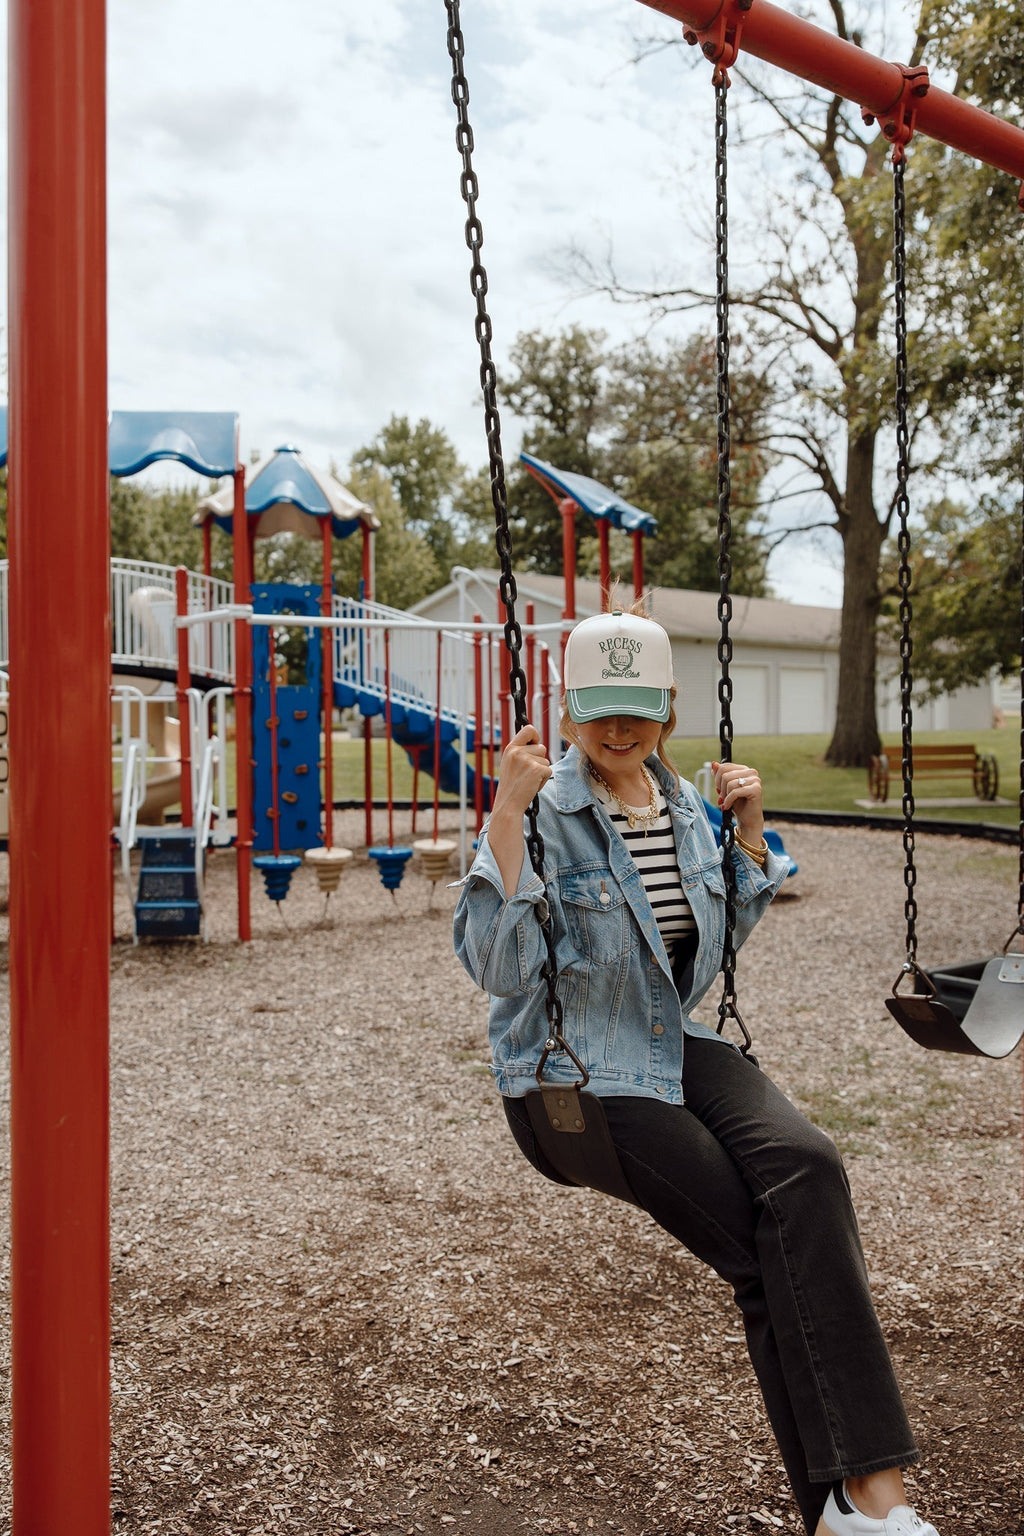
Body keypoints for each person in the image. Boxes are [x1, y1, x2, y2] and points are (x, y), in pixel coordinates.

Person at [453, 603, 941, 1536]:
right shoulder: (541, 813)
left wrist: (748, 836)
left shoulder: (685, 809)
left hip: (672, 1043)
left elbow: (705, 949)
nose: (619, 730)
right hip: (577, 1077)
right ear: (567, 712)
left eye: (637, 708)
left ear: (670, 709)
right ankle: (860, 1504)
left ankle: (861, 1503)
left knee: (810, 1166)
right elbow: (501, 971)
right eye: (599, 711)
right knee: (763, 1246)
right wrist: (506, 818)